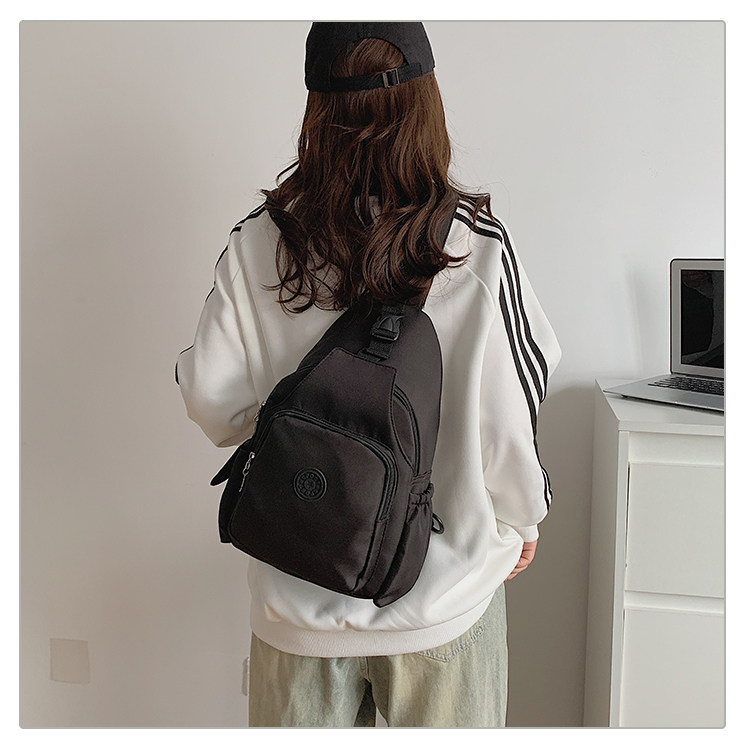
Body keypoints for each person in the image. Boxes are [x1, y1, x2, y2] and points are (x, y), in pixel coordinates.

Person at [175, 22, 562, 728]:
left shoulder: (260, 241)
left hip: (296, 598)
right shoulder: (473, 245)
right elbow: (510, 416)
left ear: (316, 108)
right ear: (427, 103)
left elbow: (212, 403)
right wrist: (523, 516)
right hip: (441, 602)